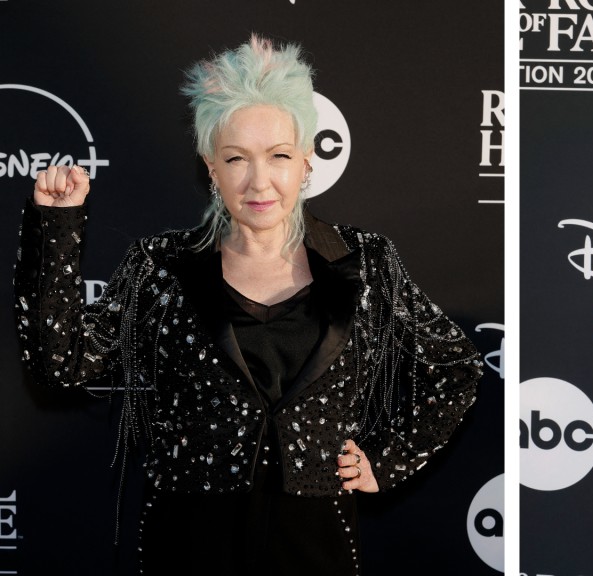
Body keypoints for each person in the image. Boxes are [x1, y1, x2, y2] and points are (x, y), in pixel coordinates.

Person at [14, 35, 482, 575]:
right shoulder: (161, 266)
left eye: (279, 156)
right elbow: (60, 364)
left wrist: (389, 457)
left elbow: (455, 365)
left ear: (306, 161)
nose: (259, 181)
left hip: (315, 548)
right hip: (189, 548)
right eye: (237, 158)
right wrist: (58, 226)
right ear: (211, 167)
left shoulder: (365, 261)